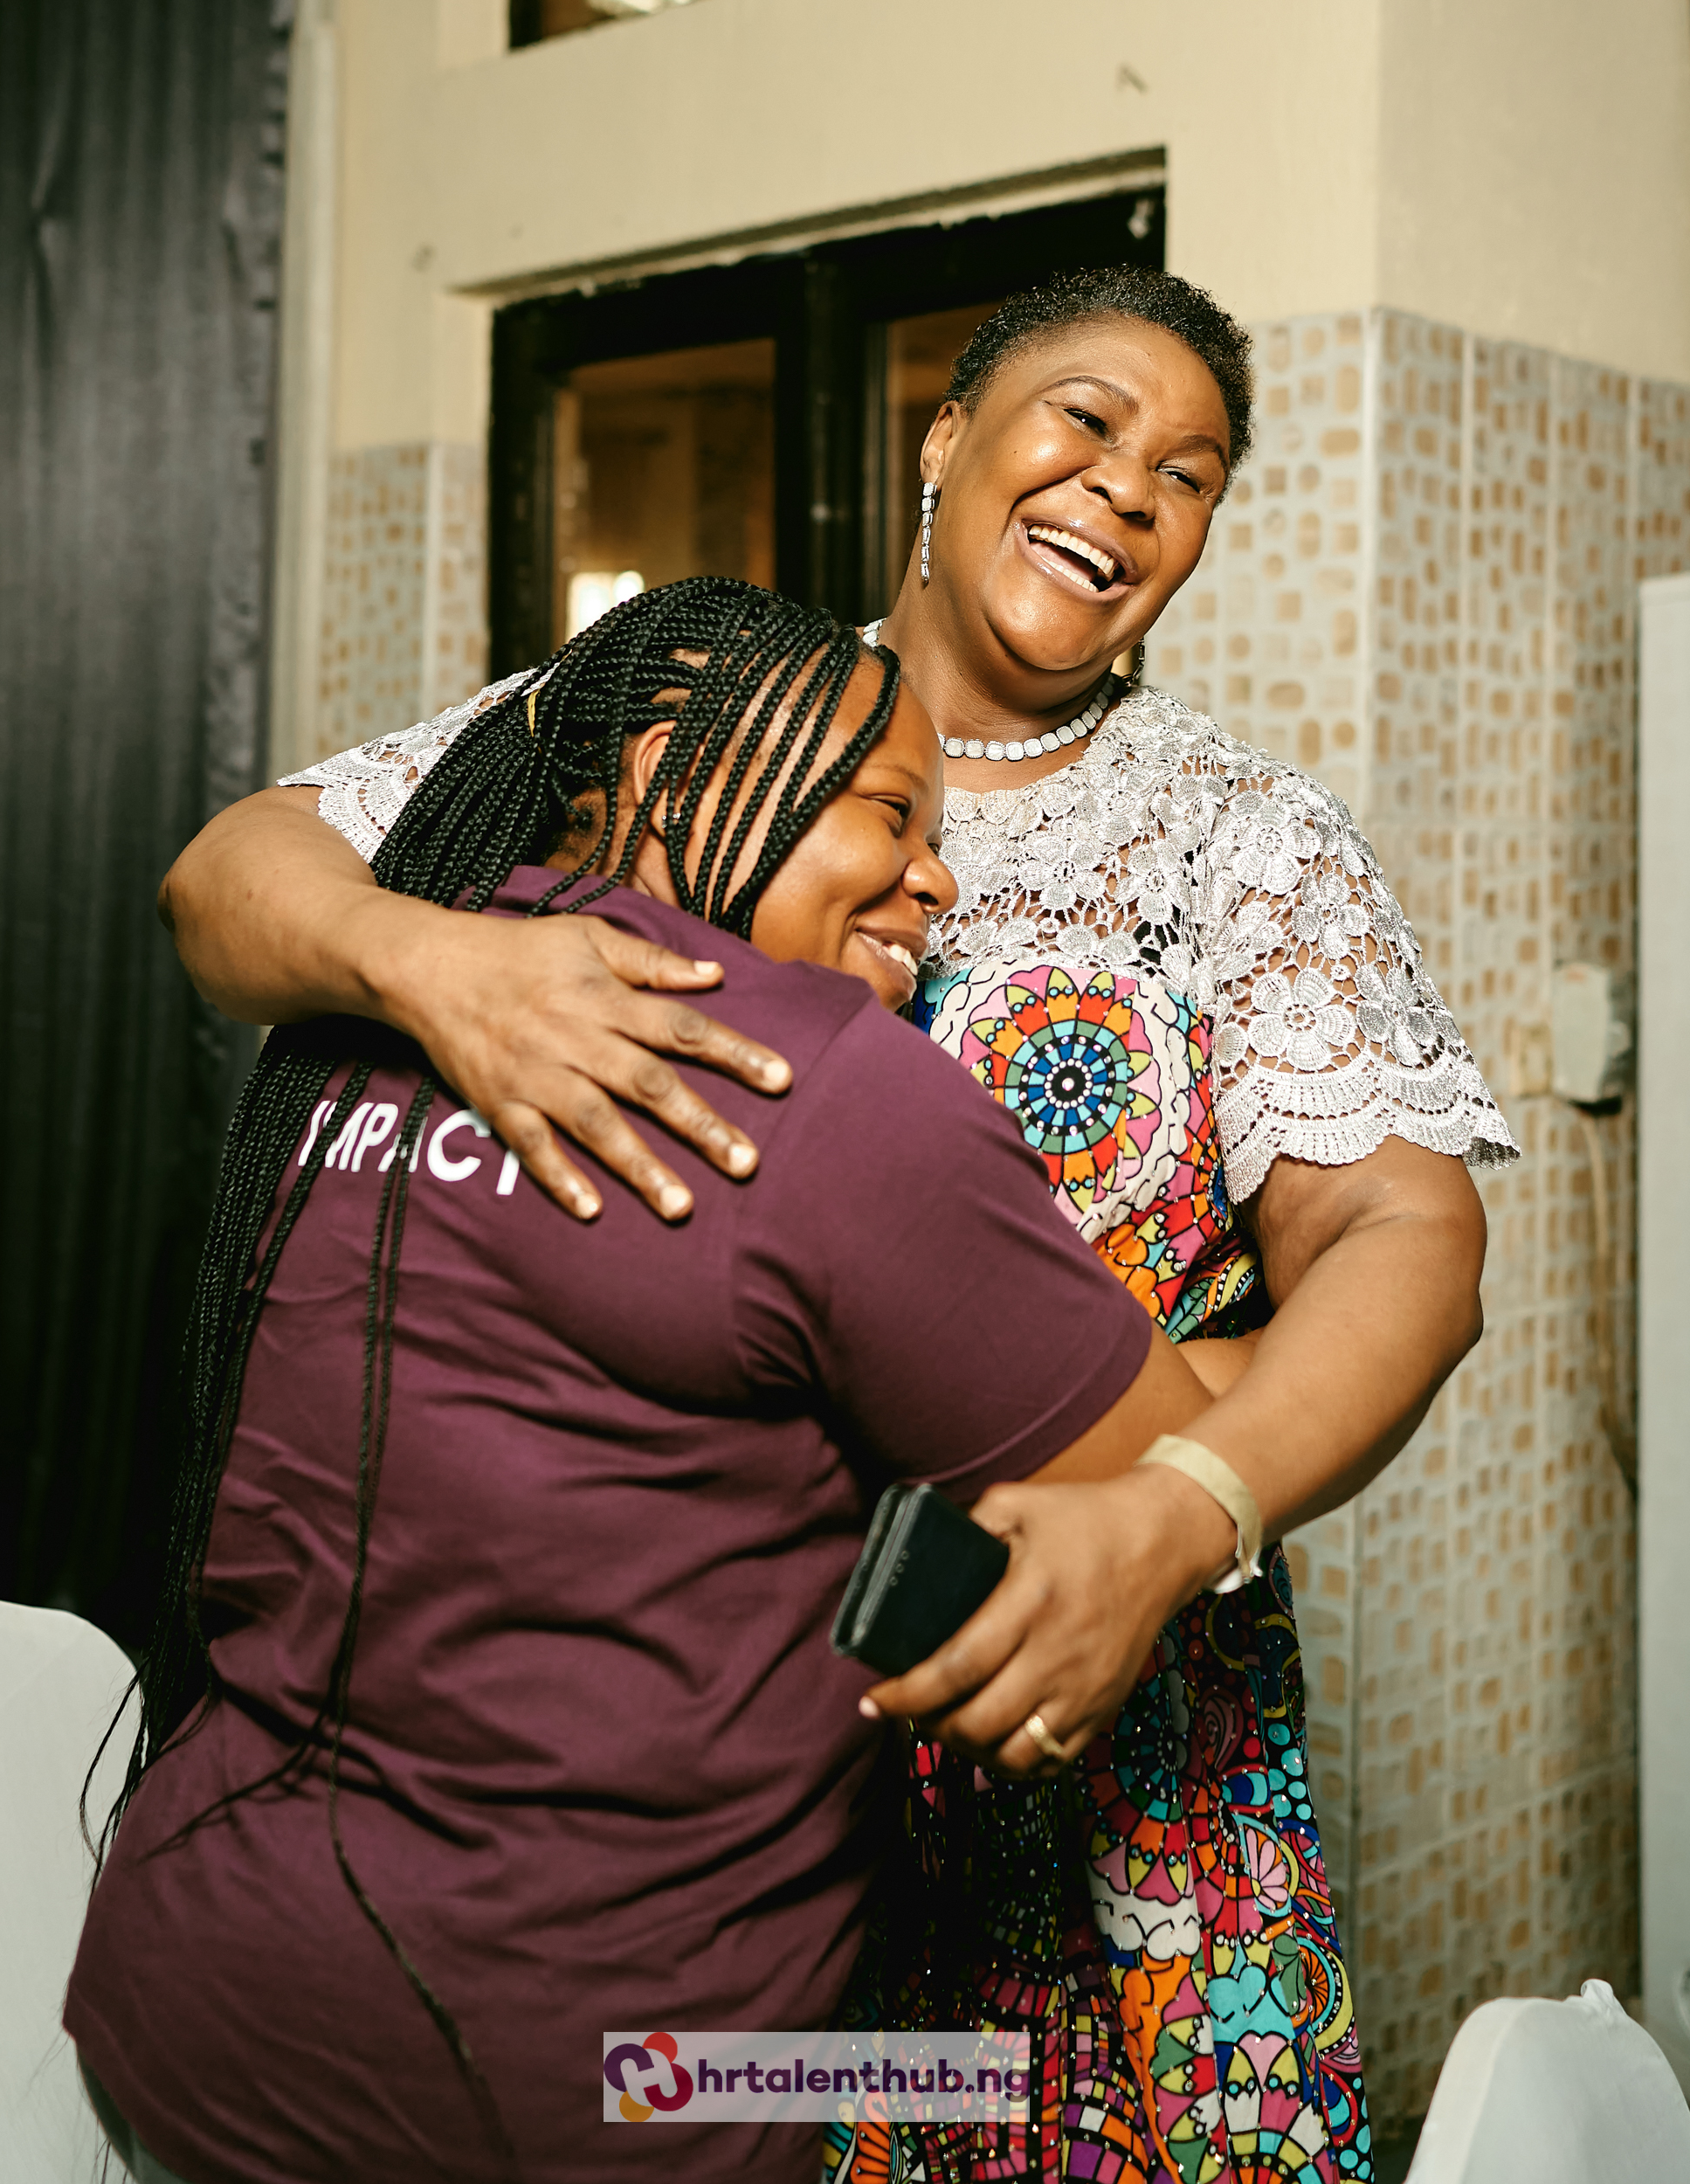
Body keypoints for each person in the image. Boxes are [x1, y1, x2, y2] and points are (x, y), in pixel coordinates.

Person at [158, 268, 1511, 2181]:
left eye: (1190, 473)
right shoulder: (695, 713)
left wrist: (1184, 1498)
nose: (1130, 488)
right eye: (1088, 422)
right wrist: (435, 963)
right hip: (690, 1766)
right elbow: (230, 876)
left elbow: (1402, 1235)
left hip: (1089, 1718)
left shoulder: (1241, 837)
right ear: (944, 440)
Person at [70, 580, 1264, 2184]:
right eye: (890, 811)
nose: (936, 881)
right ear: (659, 777)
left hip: (189, 1993)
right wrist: (1269, 1326)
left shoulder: (381, 996)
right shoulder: (819, 1083)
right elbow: (1184, 1464)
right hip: (598, 2084)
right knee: (981, 2083)